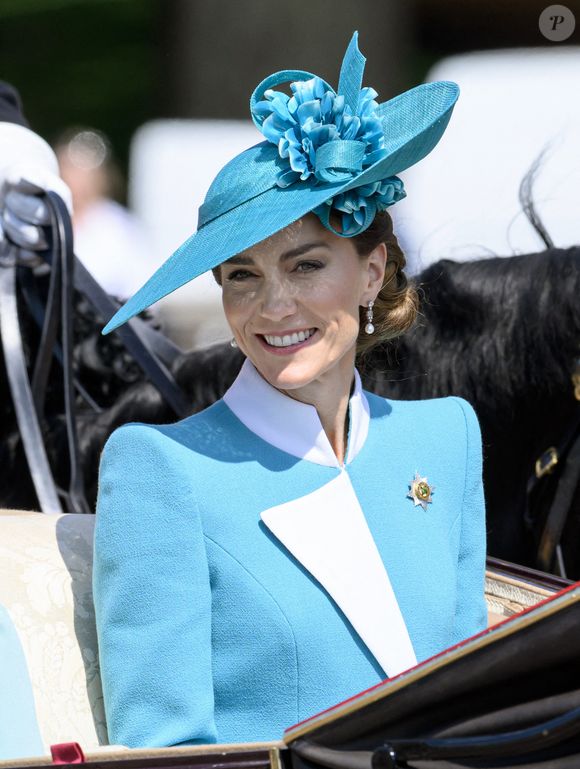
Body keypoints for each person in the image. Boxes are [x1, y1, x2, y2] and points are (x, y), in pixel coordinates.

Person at [93, 33, 487, 748]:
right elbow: (163, 754)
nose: (272, 306)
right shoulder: (162, 470)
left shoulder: (447, 437)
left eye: (306, 266)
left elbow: (474, 714)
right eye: (242, 276)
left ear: (372, 273)